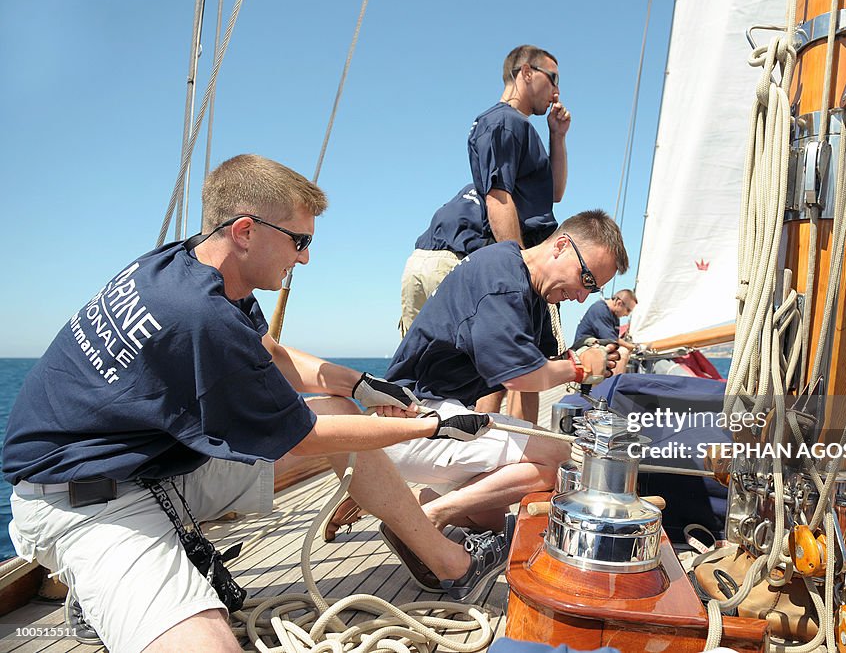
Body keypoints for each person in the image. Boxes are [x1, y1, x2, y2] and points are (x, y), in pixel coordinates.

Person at [2, 155, 505, 653]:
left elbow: (272, 355)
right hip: (82, 500)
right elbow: (302, 433)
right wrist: (432, 426)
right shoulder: (200, 315)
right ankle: (98, 588)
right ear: (245, 231)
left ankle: (450, 564)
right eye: (299, 241)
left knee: (339, 410)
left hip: (152, 469)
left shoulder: (186, 265)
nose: (305, 258)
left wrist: (360, 385)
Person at [383, 210, 629, 536]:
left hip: (442, 414)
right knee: (557, 457)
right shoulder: (502, 282)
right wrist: (580, 367)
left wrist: (575, 359)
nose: (583, 296)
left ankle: (416, 503)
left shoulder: (529, 288)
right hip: (412, 418)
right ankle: (428, 517)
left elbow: (539, 364)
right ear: (561, 247)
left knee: (490, 519)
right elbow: (520, 377)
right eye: (586, 280)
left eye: (593, 289)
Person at [399, 44, 571, 422]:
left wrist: (557, 136)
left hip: (435, 259)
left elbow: (553, 194)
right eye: (552, 78)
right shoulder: (506, 122)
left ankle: (428, 453)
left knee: (422, 382)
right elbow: (498, 195)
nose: (557, 91)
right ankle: (493, 455)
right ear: (526, 72)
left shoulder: (522, 130)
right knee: (496, 363)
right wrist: (517, 270)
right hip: (460, 261)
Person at [574, 289, 638, 374]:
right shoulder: (600, 309)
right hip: (584, 352)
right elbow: (612, 339)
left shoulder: (615, 316)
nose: (627, 315)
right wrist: (633, 347)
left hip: (596, 350)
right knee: (622, 352)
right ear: (619, 303)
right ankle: (614, 386)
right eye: (628, 310)